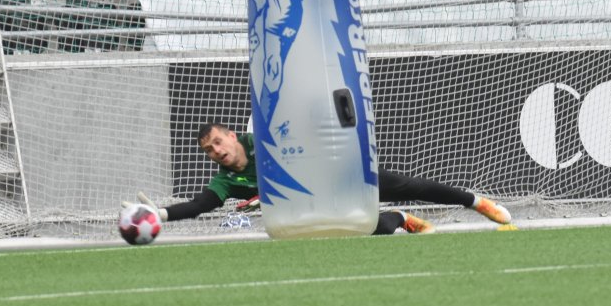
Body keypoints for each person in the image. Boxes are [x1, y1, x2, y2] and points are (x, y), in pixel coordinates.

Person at [127, 123, 512, 235]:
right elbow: (200, 205)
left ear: (230, 135)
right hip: (318, 203)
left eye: (217, 142)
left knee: (408, 185)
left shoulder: (262, 138)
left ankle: (476, 202)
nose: (216, 151)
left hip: (336, 172)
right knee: (368, 230)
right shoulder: (227, 180)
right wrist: (160, 214)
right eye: (209, 151)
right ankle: (399, 218)